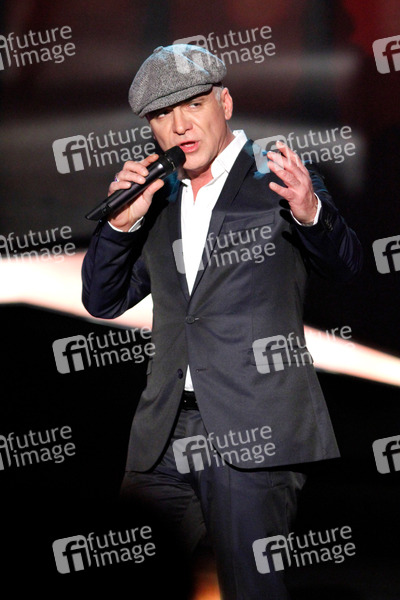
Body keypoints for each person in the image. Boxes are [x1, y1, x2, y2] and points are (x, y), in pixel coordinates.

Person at [82, 44, 362, 599]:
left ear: (225, 103)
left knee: (252, 591)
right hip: (163, 432)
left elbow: (347, 265)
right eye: (162, 114)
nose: (179, 125)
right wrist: (119, 225)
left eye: (193, 104)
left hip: (253, 430)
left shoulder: (275, 176)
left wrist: (311, 212)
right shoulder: (155, 198)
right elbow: (103, 300)